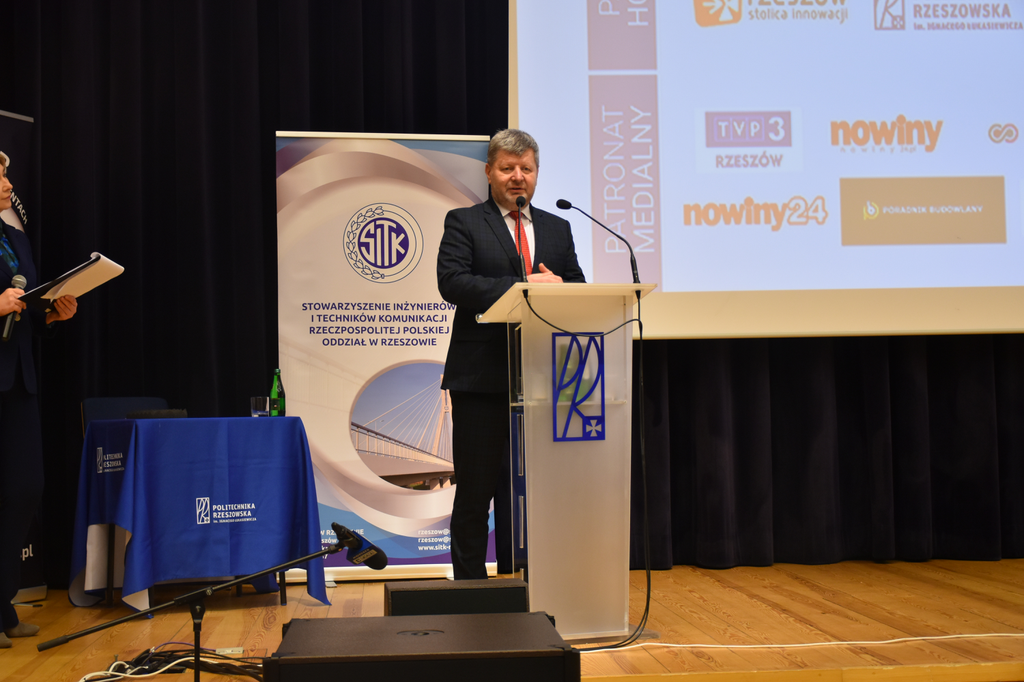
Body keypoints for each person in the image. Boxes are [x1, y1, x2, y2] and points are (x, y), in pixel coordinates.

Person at [437, 129, 585, 579]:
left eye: (526, 168)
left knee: (544, 490)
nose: (518, 176)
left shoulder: (558, 228)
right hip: (481, 378)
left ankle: (545, 581)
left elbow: (576, 286)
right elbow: (453, 282)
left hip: (545, 378)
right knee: (475, 492)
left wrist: (560, 288)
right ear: (489, 172)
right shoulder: (464, 222)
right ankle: (471, 590)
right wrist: (522, 286)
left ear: (537, 174)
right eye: (507, 168)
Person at [0, 151, 78, 648]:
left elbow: (27, 307)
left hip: (18, 380)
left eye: (6, 174)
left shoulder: (15, 237)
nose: (8, 184)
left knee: (26, 487)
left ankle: (1, 600)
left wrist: (52, 315)